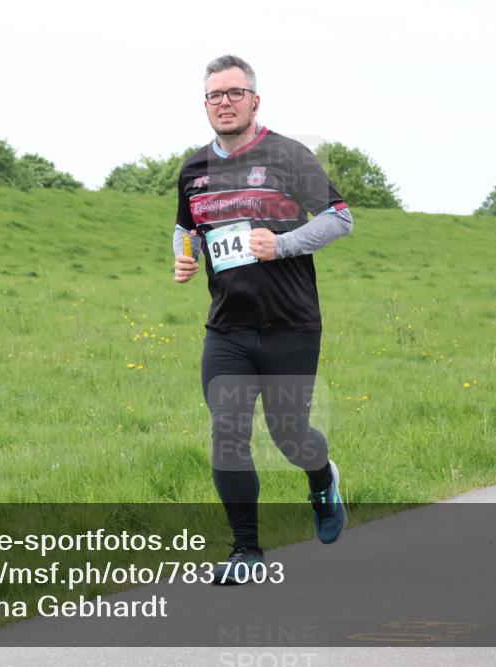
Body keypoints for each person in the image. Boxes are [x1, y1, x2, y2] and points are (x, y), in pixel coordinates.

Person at [172, 55, 353, 584]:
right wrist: (184, 256)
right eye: (214, 96)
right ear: (205, 105)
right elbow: (188, 228)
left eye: (233, 93)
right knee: (227, 434)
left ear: (254, 100)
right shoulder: (193, 169)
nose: (223, 103)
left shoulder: (289, 155)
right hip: (226, 328)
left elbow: (341, 219)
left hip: (290, 324)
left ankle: (321, 480)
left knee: (289, 434)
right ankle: (246, 551)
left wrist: (283, 245)